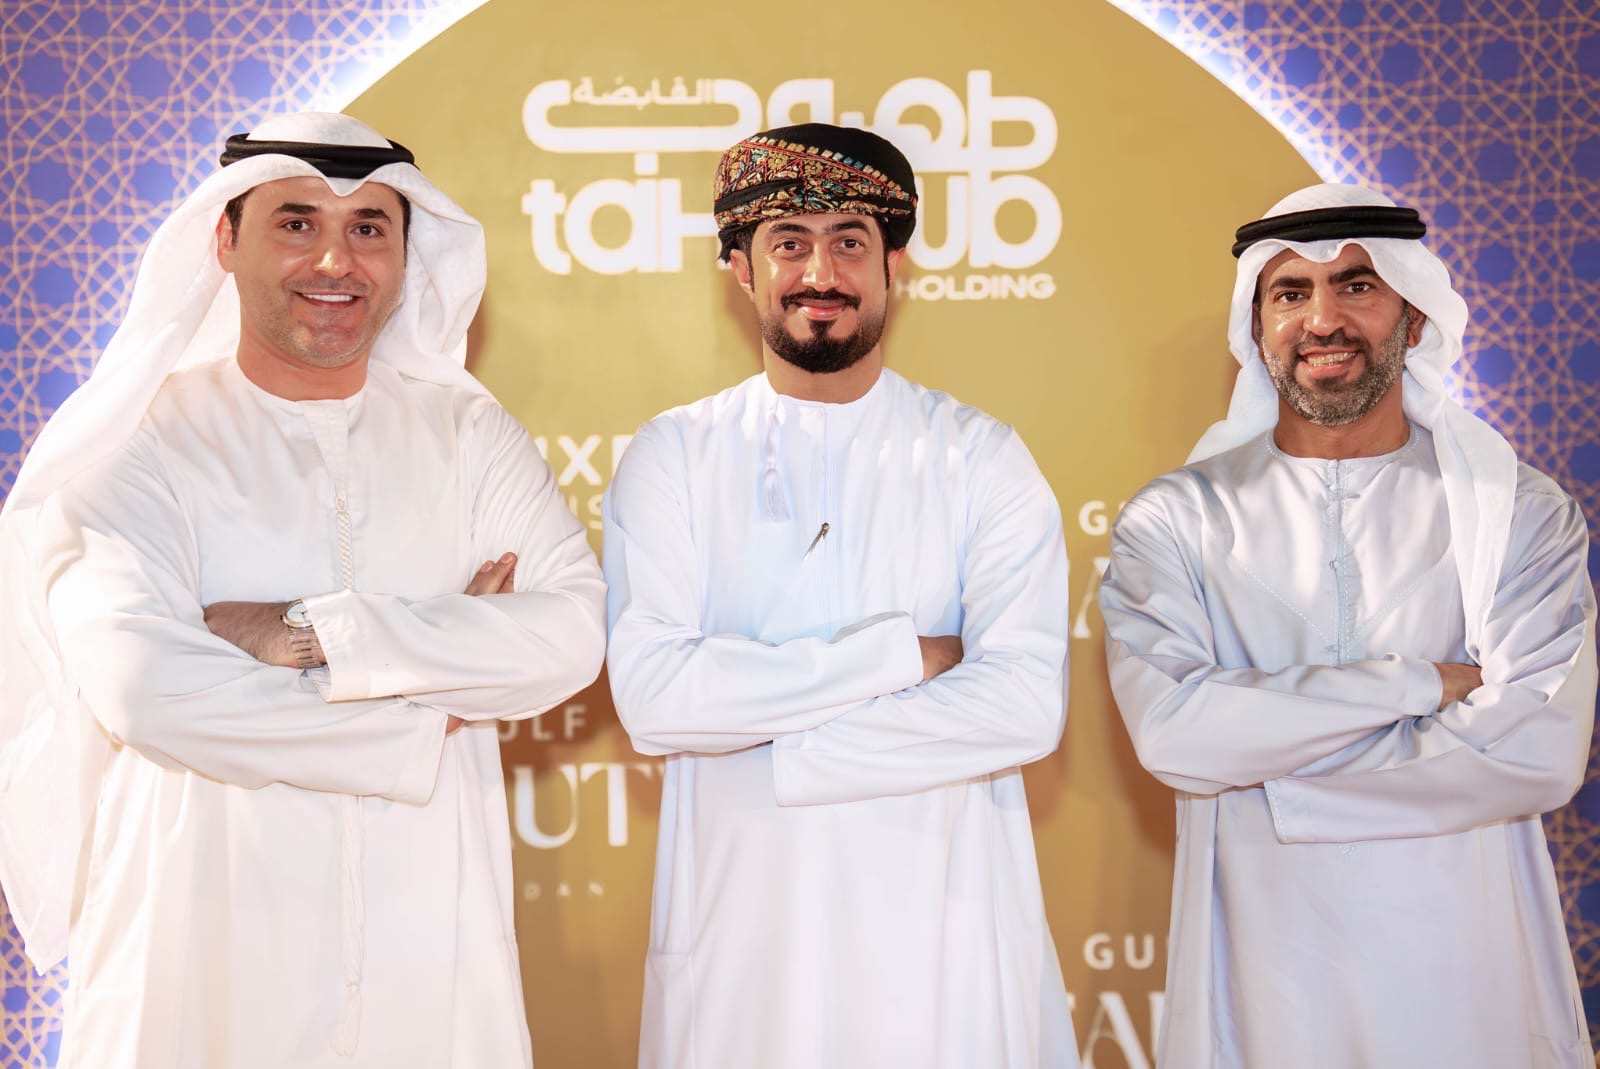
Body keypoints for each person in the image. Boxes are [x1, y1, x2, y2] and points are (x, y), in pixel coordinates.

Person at [0, 112, 606, 1068]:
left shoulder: (468, 434)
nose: (336, 260)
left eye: (369, 227)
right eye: (296, 223)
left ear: (405, 257)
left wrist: (309, 634)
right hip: (202, 950)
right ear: (224, 239)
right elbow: (145, 689)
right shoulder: (136, 444)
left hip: (424, 947)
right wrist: (426, 709)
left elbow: (570, 632)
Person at [601, 123, 1077, 1069]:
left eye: (850, 241)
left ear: (894, 263)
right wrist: (901, 656)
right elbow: (655, 699)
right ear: (741, 269)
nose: (821, 272)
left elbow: (1024, 704)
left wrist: (769, 745)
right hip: (744, 933)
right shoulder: (676, 454)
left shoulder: (979, 455)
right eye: (789, 242)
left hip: (941, 925)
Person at [1099, 182, 1596, 1067]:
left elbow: (1538, 749)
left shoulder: (1516, 510)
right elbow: (1175, 735)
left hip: (1464, 973)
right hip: (1259, 974)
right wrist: (1419, 683)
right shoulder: (1174, 519)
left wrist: (1265, 774)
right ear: (1258, 329)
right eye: (1290, 293)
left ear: (1415, 315)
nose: (1322, 319)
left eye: (1357, 285)